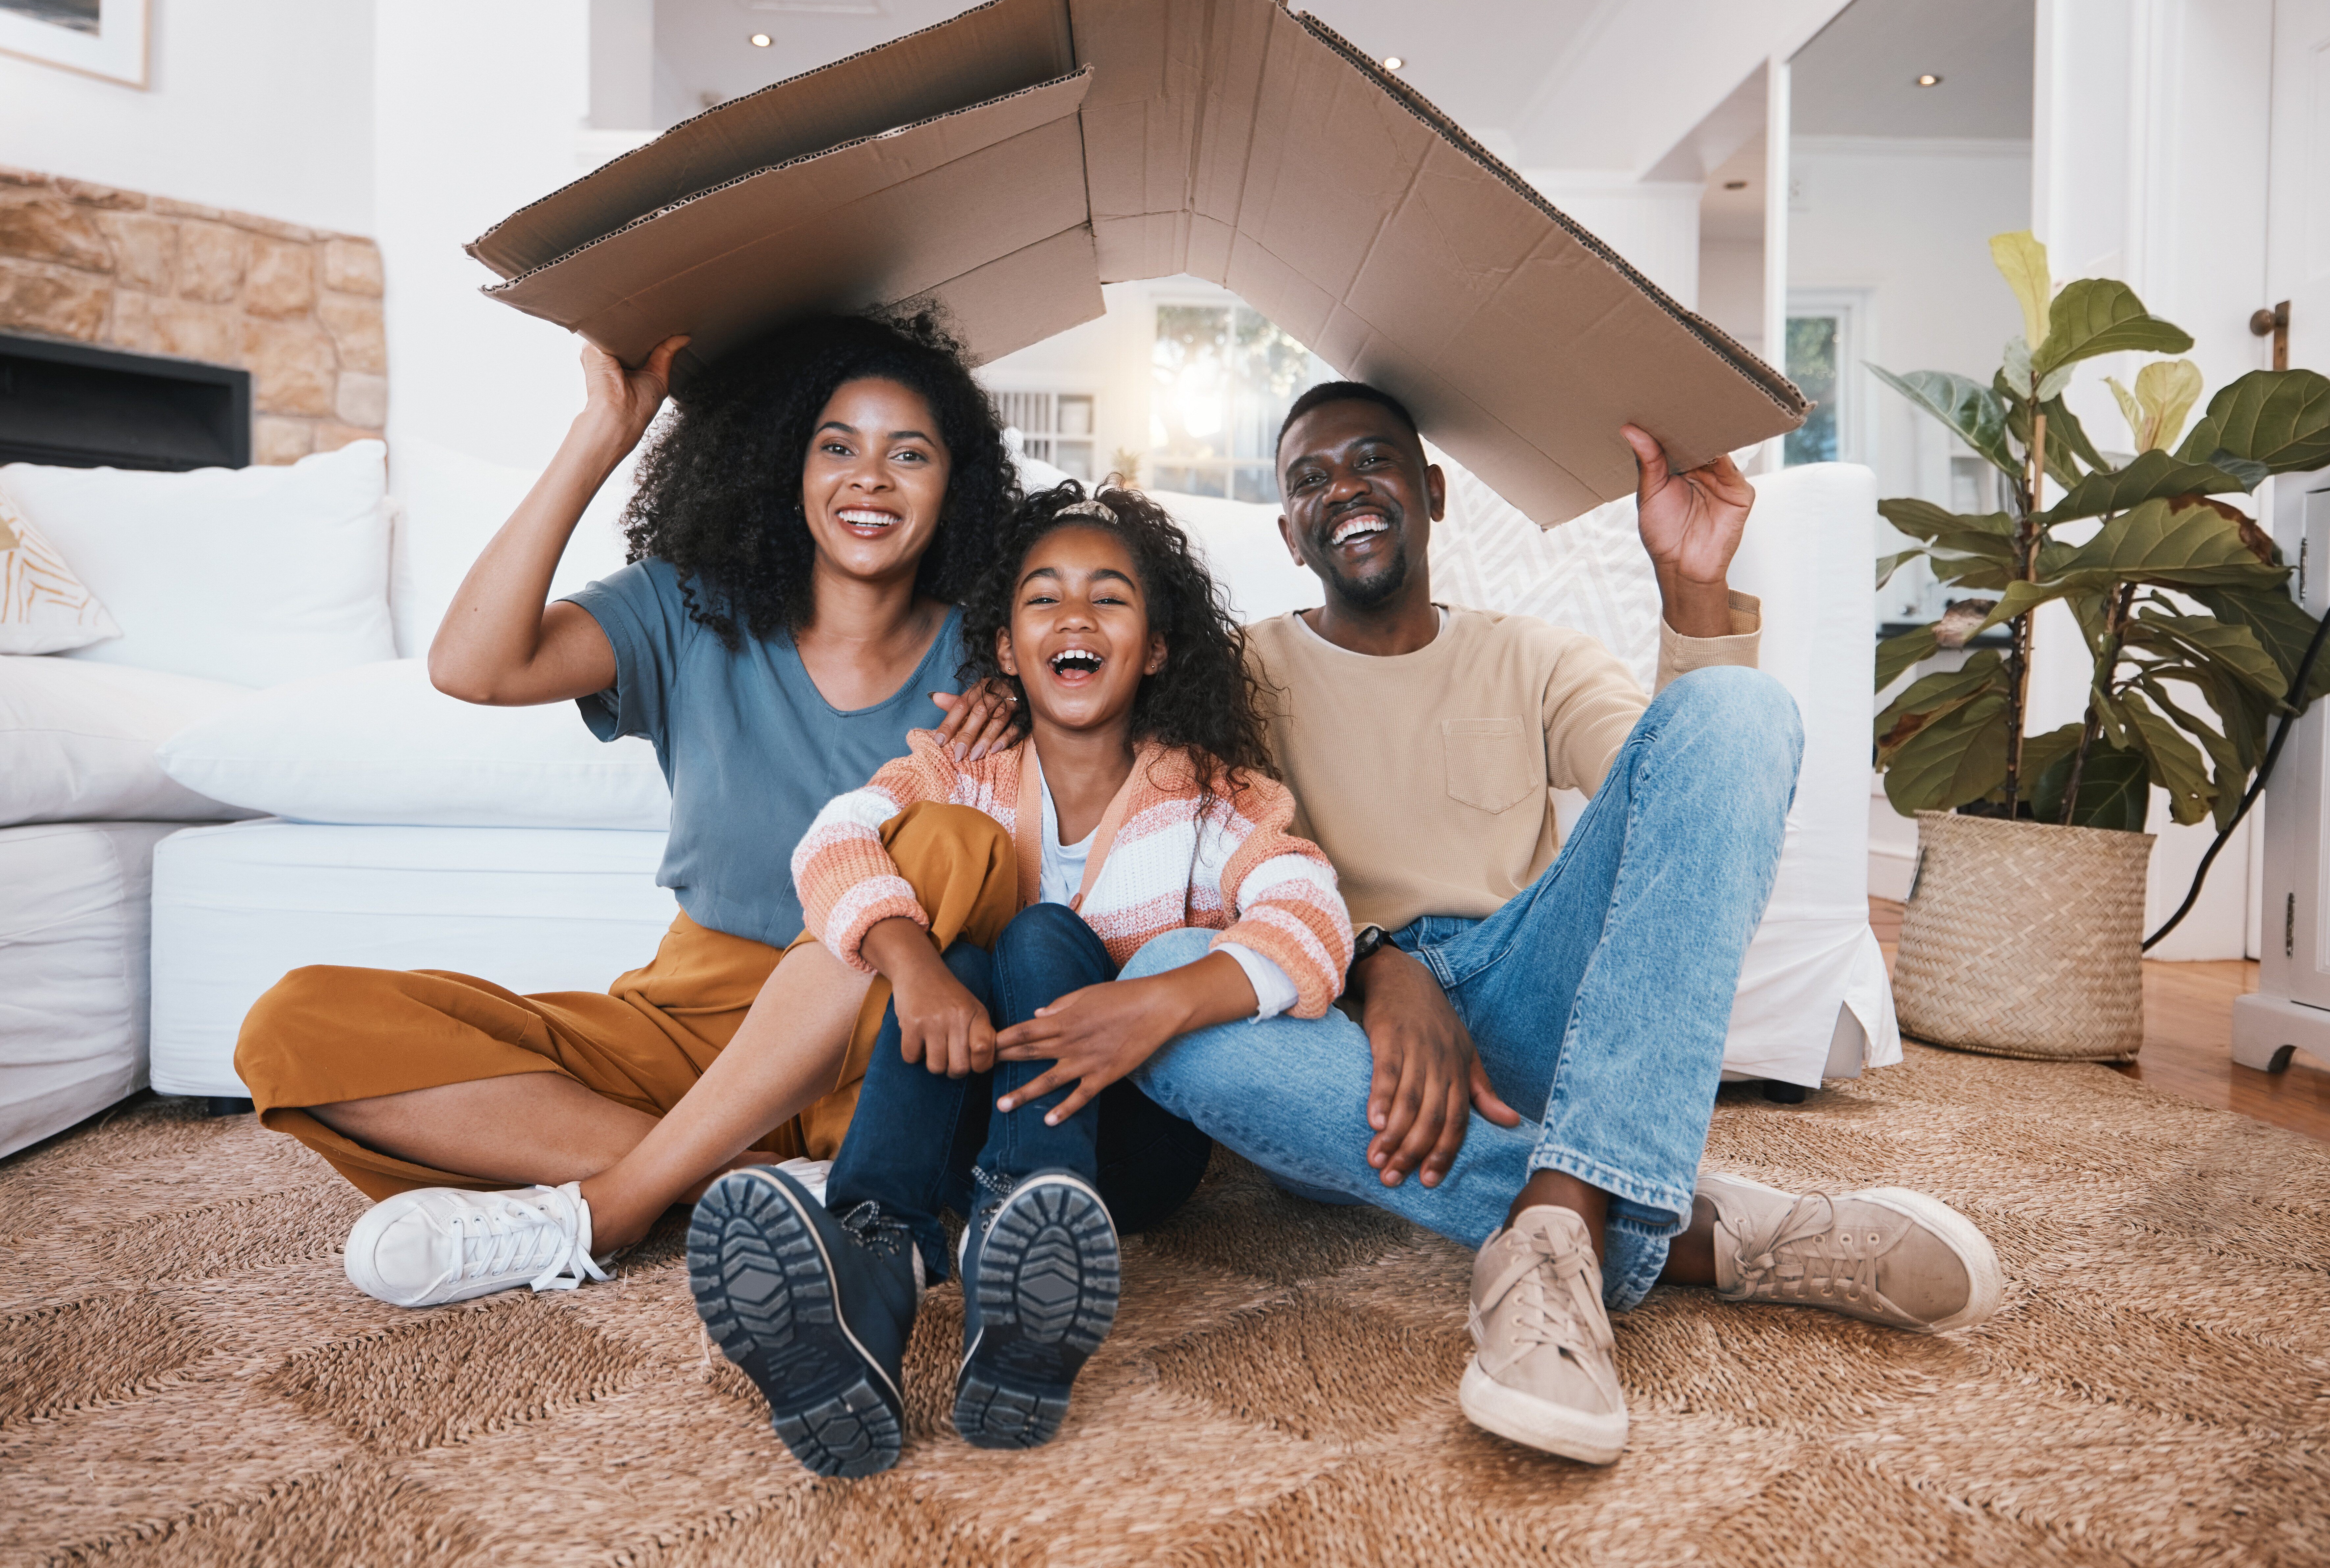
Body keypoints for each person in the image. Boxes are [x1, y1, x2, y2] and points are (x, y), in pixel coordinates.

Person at [1121, 382, 2002, 1467]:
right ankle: (1677, 1227)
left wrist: (1694, 591)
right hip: (1342, 1035)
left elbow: (1684, 794)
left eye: (1372, 461)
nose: (1343, 488)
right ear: (1289, 531)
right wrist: (1374, 964)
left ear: (1432, 492)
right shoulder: (1238, 675)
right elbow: (1193, 870)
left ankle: (1561, 1218)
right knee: (1161, 980)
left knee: (1744, 711)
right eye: (1310, 478)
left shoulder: (1533, 655)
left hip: (1534, 1006)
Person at [233, 311, 1029, 1307]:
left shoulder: (998, 653)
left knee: (952, 835)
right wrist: (604, 433)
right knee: (292, 1027)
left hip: (883, 1035)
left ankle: (619, 1200)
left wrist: (1029, 694)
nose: (868, 476)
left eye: (908, 453)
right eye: (836, 447)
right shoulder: (687, 608)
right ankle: (767, 1190)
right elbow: (474, 666)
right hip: (688, 1022)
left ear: (955, 485)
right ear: (787, 467)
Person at [685, 481, 1354, 1479]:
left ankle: (1028, 1228)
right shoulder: (960, 769)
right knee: (950, 956)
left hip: (1127, 1157)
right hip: (965, 1132)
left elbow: (1315, 916)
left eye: (1110, 598)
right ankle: (874, 1273)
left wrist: (1156, 1001)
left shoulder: (1215, 797)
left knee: (1042, 934)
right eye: (1044, 597)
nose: (1075, 617)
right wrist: (910, 967)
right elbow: (833, 840)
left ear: (1159, 647)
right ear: (1006, 647)